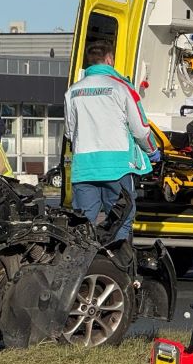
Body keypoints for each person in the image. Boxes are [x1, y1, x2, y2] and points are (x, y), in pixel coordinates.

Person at [64, 40, 159, 243]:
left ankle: (84, 269)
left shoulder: (73, 91)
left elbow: (70, 132)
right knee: (120, 220)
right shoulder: (122, 88)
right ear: (109, 59)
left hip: (84, 168)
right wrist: (152, 151)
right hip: (117, 168)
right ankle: (118, 269)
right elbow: (140, 128)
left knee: (82, 225)